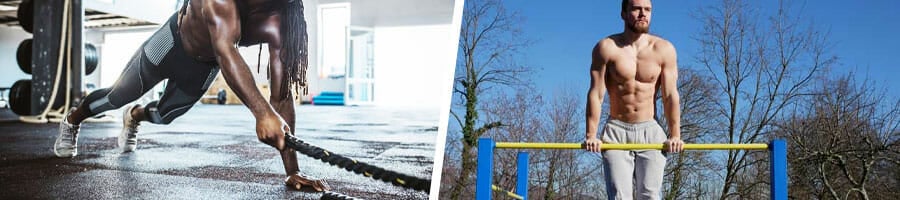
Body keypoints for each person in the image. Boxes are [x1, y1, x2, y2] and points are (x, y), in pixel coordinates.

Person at [52, 0, 329, 192]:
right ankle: (73, 120)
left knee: (164, 115)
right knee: (115, 97)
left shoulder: (281, 18)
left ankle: (135, 116)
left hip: (203, 68)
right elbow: (226, 50)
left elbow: (281, 99)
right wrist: (261, 112)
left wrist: (292, 171)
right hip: (170, 44)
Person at [584, 0, 684, 199]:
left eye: (647, 9)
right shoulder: (606, 48)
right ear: (623, 13)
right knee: (620, 196)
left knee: (650, 195)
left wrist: (675, 135)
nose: (642, 14)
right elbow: (596, 93)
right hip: (617, 131)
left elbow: (670, 95)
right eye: (636, 8)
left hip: (650, 130)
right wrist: (591, 134)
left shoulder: (664, 50)